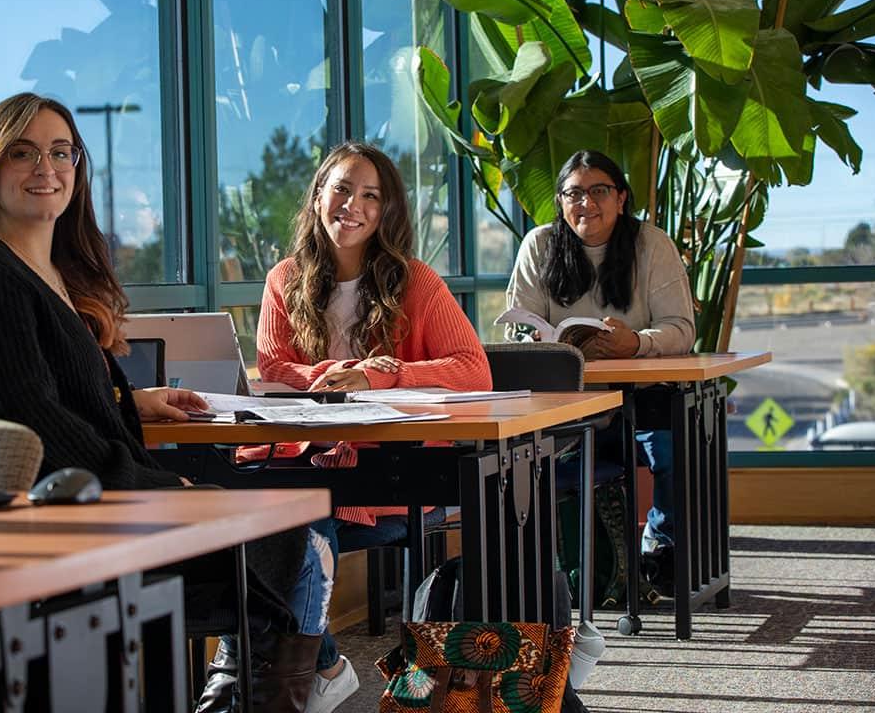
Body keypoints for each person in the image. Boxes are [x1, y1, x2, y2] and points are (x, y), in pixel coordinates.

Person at [0, 92, 333, 712]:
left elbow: (37, 383)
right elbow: (28, 420)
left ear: (78, 168)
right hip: (66, 515)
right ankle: (265, 686)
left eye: (60, 152)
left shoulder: (42, 269)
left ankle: (251, 683)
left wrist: (129, 398)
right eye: (22, 153)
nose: (45, 168)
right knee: (298, 537)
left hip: (87, 496)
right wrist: (152, 485)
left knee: (292, 531)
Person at [257, 141, 493, 712]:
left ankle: (304, 681)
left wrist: (382, 378)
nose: (353, 205)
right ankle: (324, 667)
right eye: (341, 188)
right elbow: (273, 366)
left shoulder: (415, 281)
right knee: (280, 524)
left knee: (299, 529)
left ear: (386, 211)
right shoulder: (284, 279)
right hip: (314, 471)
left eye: (371, 195)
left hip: (394, 481)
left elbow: (472, 368)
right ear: (318, 197)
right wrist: (339, 372)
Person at [503, 148, 695, 595]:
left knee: (673, 451)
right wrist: (537, 343)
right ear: (560, 201)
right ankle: (553, 574)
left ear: (621, 197)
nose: (585, 202)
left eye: (599, 191)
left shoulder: (651, 244)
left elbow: (682, 329)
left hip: (643, 393)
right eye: (573, 193)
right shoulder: (540, 245)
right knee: (519, 460)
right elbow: (517, 324)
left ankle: (660, 545)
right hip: (566, 401)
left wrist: (638, 343)